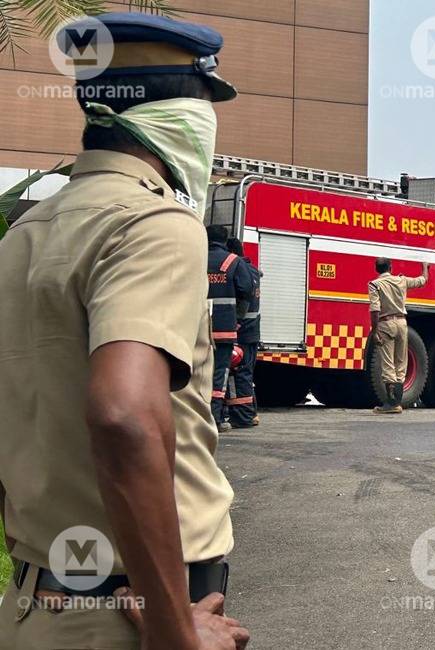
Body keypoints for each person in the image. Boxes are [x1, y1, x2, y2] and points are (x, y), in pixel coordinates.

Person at [0, 12, 248, 649]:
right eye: (202, 103)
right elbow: (123, 417)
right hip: (129, 620)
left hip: (37, 608)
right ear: (168, 114)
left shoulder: (22, 237)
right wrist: (174, 636)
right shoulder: (153, 226)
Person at [208, 226, 254, 433]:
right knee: (219, 376)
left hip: (195, 328)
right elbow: (246, 290)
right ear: (225, 240)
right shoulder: (232, 261)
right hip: (224, 330)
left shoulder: (195, 257)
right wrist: (237, 319)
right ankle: (214, 419)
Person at [368, 257, 429, 413]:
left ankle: (392, 404)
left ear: (377, 269)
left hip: (385, 323)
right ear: (391, 267)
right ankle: (397, 402)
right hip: (402, 323)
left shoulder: (374, 284)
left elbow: (375, 310)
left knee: (388, 363)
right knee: (401, 362)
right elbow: (422, 281)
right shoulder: (401, 281)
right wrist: (425, 267)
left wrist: (374, 331)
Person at [227, 238, 262, 429]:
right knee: (246, 373)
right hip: (252, 331)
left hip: (241, 330)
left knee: (237, 374)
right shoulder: (252, 271)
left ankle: (243, 416)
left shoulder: (238, 270)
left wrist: (236, 322)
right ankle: (250, 413)